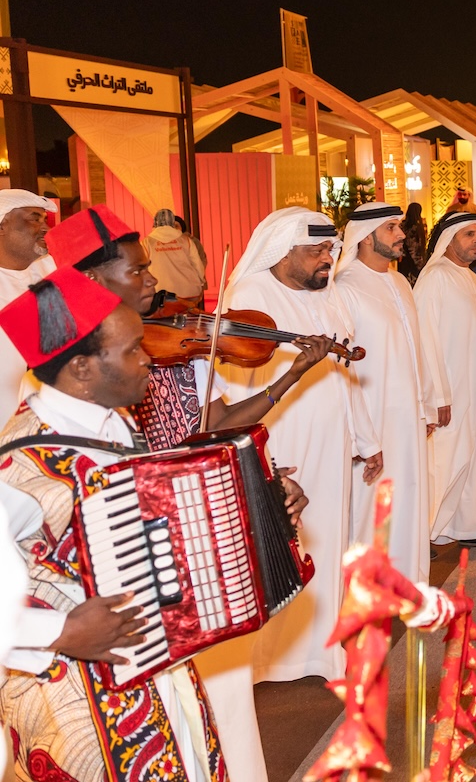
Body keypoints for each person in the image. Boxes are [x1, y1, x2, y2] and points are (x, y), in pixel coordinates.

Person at [46, 205, 324, 782]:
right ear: (93, 284)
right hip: (96, 652)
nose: (154, 281)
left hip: (183, 580)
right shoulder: (52, 425)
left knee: (211, 724)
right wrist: (51, 631)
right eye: (138, 271)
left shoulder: (149, 369)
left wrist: (263, 491)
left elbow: (200, 448)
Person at [0, 267, 228, 782]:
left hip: (153, 669)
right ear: (81, 368)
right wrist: (60, 630)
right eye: (132, 349)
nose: (148, 359)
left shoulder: (111, 419)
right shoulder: (17, 468)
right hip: (73, 696)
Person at [215, 207, 382, 683]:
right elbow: (233, 391)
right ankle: (272, 661)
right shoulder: (250, 297)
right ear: (282, 252)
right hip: (283, 441)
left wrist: (366, 437)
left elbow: (347, 371)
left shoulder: (328, 295)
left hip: (332, 445)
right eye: (315, 252)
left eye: (330, 249)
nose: (326, 260)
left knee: (329, 543)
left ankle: (322, 651)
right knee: (283, 547)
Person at [333, 203, 448, 582]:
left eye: (398, 227)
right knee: (373, 502)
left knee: (411, 492)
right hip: (374, 417)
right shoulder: (345, 287)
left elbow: (418, 346)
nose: (401, 235)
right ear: (365, 238)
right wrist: (361, 433)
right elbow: (342, 367)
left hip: (409, 415)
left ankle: (406, 576)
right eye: (391, 229)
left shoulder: (400, 282)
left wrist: (427, 404)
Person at [415, 212, 476, 549]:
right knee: (447, 460)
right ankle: (428, 531)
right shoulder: (434, 278)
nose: (474, 241)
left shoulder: (470, 278)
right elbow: (425, 341)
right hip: (449, 392)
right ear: (450, 237)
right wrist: (436, 396)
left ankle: (471, 526)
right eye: (468, 234)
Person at [0, 189, 52, 412]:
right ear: (2, 225)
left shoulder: (52, 268)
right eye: (34, 218)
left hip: (50, 416)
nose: (46, 228)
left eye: (44, 219)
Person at [144, 207, 207, 301]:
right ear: (172, 221)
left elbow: (142, 268)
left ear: (155, 222)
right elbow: (197, 265)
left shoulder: (146, 243)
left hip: (159, 292)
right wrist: (201, 282)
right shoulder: (186, 240)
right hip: (187, 291)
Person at [397, 202, 427, 283]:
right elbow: (415, 247)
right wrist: (420, 264)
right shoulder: (418, 227)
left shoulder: (402, 225)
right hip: (414, 261)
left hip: (403, 260)